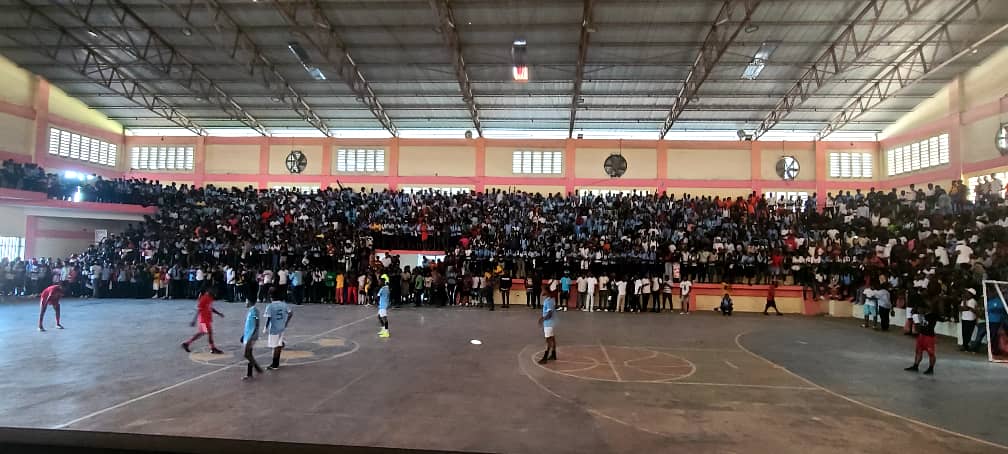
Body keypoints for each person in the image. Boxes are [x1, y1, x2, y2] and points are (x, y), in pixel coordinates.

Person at [182, 286, 224, 354]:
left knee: (206, 333)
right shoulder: (204, 298)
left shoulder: (210, 297)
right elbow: (199, 309)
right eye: (215, 291)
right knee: (204, 333)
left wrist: (218, 313)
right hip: (203, 320)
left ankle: (187, 343)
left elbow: (211, 308)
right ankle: (187, 343)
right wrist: (194, 320)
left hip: (207, 319)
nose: (216, 293)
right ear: (209, 290)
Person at [263, 288, 293, 370]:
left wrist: (265, 327)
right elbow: (290, 313)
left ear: (270, 296)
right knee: (278, 345)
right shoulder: (283, 304)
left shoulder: (270, 306)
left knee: (275, 346)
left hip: (274, 329)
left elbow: (268, 318)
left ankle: (275, 364)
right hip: (282, 327)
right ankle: (276, 362)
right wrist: (286, 322)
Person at [905, 303, 939, 375]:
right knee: (918, 351)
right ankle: (916, 366)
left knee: (931, 353)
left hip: (929, 337)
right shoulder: (923, 315)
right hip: (922, 335)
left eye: (920, 309)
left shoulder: (932, 316)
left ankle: (930, 368)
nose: (919, 310)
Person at [240, 299, 263, 380]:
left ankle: (256, 368)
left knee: (247, 354)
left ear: (250, 301)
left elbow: (256, 324)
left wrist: (252, 336)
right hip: (248, 335)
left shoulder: (254, 311)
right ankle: (252, 372)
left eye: (246, 301)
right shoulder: (251, 311)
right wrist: (244, 335)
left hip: (251, 336)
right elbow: (249, 325)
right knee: (249, 354)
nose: (245, 302)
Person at [537, 286, 557, 364]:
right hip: (551, 323)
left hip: (548, 323)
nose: (542, 292)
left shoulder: (548, 301)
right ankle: (553, 354)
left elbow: (549, 314)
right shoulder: (551, 299)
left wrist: (542, 319)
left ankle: (545, 357)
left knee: (548, 340)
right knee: (552, 338)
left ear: (547, 292)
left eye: (543, 290)